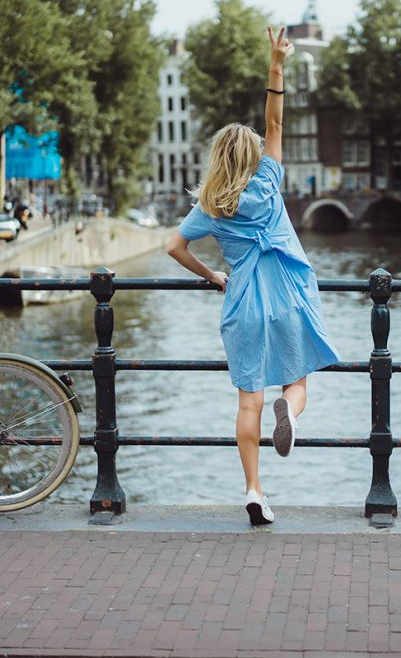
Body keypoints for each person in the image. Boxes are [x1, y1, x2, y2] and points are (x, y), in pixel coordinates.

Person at [165, 26, 340, 526]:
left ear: (219, 160)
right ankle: (291, 409)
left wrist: (211, 275)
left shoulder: (210, 204)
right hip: (287, 289)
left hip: (242, 295)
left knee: (248, 401)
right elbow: (276, 121)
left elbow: (173, 247)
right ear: (254, 155)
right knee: (298, 378)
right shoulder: (268, 179)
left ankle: (254, 491)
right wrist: (276, 63)